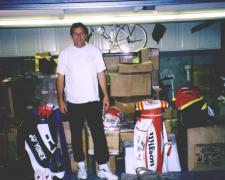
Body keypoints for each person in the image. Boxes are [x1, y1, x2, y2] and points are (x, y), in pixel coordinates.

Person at [56, 22, 118, 180]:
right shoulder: (65, 54)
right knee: (76, 136)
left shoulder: (95, 51)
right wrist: (60, 100)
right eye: (75, 34)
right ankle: (81, 166)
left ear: (86, 35)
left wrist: (106, 95)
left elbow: (101, 75)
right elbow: (60, 78)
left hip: (92, 101)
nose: (78, 36)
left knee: (98, 135)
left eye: (81, 33)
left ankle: (103, 167)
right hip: (73, 103)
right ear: (71, 36)